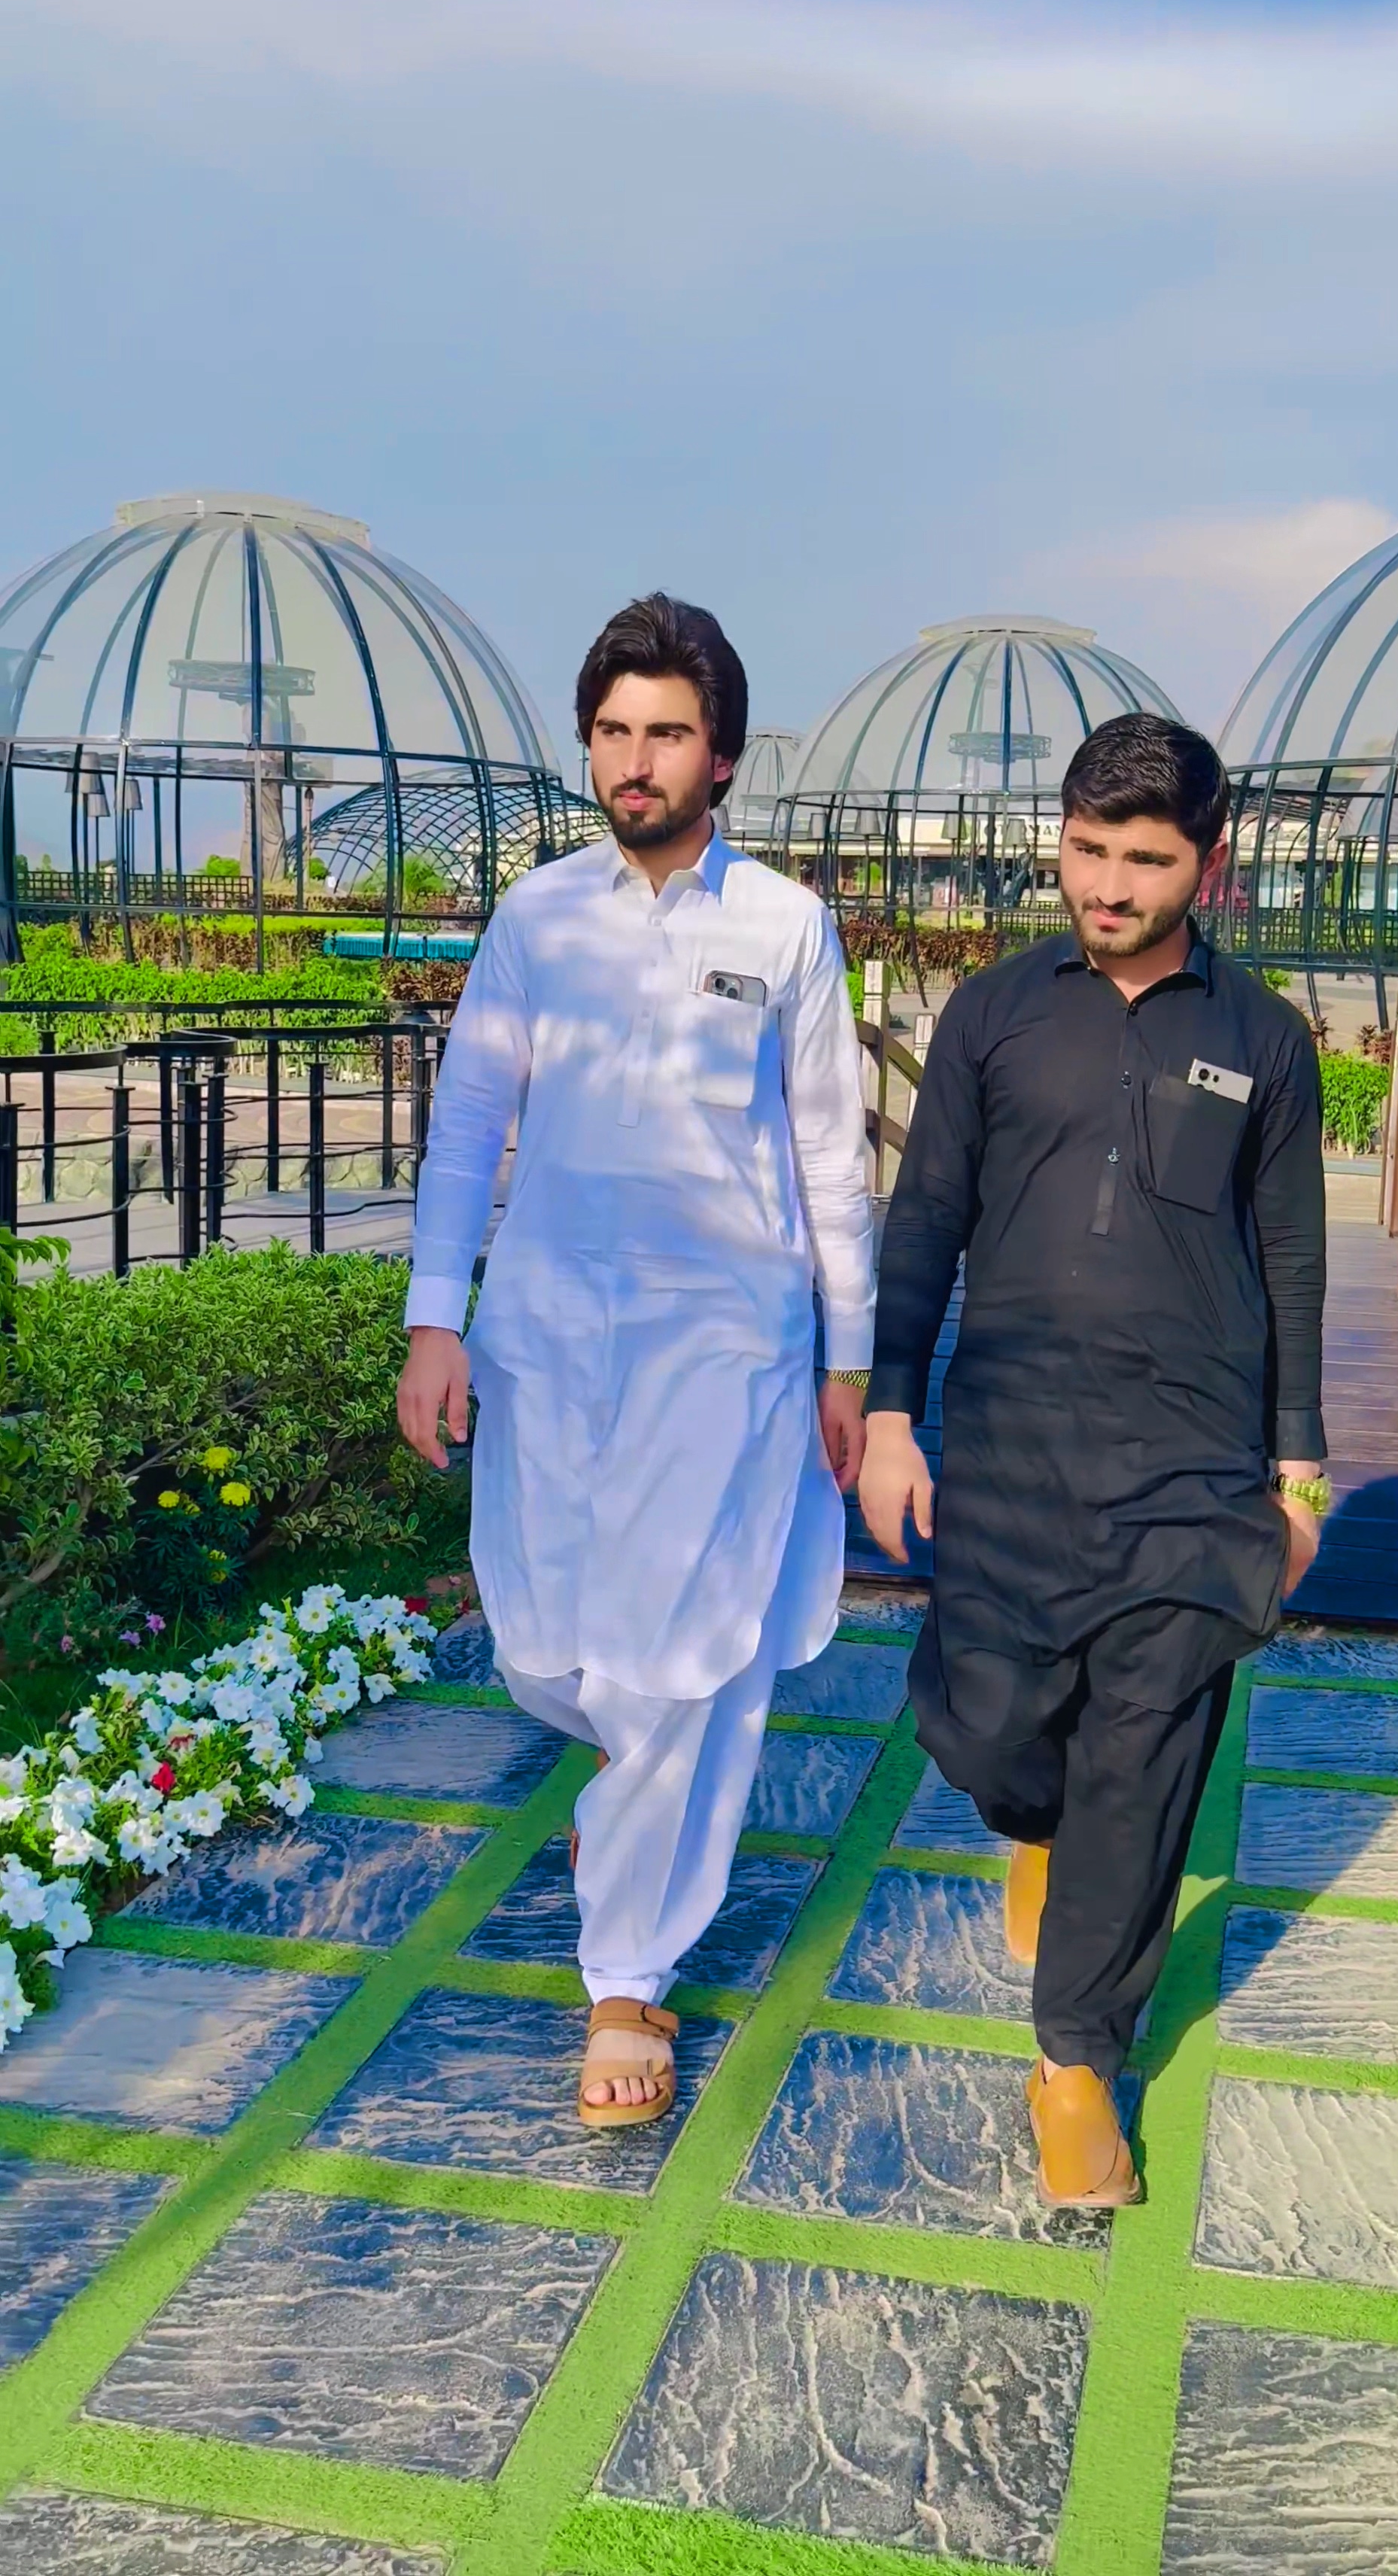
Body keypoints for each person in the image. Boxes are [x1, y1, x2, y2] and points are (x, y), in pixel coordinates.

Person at [397, 594, 874, 2128]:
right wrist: (434, 1317)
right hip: (547, 1339)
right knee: (549, 1646)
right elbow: (471, 1121)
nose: (636, 759)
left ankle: (627, 1975)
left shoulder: (784, 926)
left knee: (685, 1658)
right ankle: (628, 1796)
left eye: (667, 732)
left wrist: (850, 1361)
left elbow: (830, 1154)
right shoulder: (538, 918)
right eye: (613, 730)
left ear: (721, 754)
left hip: (727, 1351)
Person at [858, 712, 1326, 2210]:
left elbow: (1295, 1260)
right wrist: (888, 1417)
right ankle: (1031, 1822)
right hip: (1011, 1444)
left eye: (1146, 860)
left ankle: (1076, 2063)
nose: (1110, 887)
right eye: (1087, 850)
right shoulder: (995, 1015)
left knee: (1149, 1749)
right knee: (996, 1729)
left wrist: (1299, 1472)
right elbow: (926, 1220)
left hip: (1193, 1463)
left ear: (1211, 865)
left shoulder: (1264, 1039)